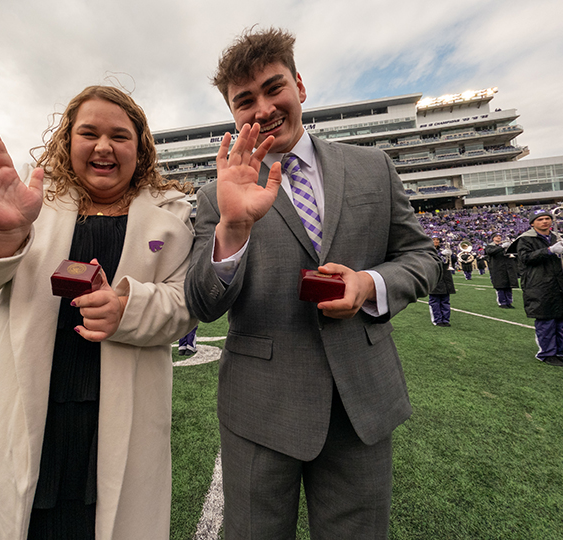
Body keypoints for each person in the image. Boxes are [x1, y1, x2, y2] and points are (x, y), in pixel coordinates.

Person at [184, 28, 439, 538]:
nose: (262, 108)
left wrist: (369, 284)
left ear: (299, 86)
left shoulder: (373, 169)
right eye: (245, 100)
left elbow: (422, 257)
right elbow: (202, 304)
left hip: (361, 400)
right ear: (233, 113)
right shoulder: (218, 193)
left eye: (274, 88)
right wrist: (234, 228)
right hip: (260, 405)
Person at [0, 85, 195, 539]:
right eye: (88, 133)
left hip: (121, 411)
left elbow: (185, 307)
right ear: (67, 140)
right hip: (26, 403)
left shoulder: (171, 214)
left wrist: (127, 309)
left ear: (141, 147)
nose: (103, 146)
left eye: (119, 135)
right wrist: (4, 233)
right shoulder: (32, 199)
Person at [508, 209, 563, 367]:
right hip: (539, 282)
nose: (545, 221)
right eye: (540, 219)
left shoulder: (556, 237)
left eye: (547, 218)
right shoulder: (525, 239)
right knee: (546, 320)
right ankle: (547, 353)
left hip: (560, 281)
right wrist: (549, 250)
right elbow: (525, 258)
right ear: (532, 223)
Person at [486, 234, 518, 308]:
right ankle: (502, 302)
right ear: (493, 238)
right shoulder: (490, 246)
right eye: (497, 236)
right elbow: (490, 252)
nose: (499, 237)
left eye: (500, 236)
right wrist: (502, 247)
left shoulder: (504, 247)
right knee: (500, 286)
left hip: (507, 268)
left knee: (508, 286)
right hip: (497, 269)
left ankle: (509, 302)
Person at [428, 237, 455, 326]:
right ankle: (437, 320)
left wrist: (451, 255)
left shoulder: (444, 250)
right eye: (434, 240)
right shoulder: (426, 250)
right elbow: (430, 261)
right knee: (435, 301)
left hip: (446, 277)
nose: (436, 242)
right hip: (434, 277)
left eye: (438, 240)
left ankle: (446, 320)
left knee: (445, 301)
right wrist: (440, 254)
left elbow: (453, 261)